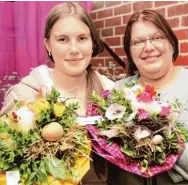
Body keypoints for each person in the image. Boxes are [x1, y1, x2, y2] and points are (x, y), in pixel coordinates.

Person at [110, 9, 188, 185]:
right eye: (138, 41)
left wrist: (159, 151)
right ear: (129, 52)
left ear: (171, 43)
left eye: (157, 37)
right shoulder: (118, 91)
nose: (149, 47)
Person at [0, 2, 114, 185]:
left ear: (92, 42)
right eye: (63, 39)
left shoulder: (112, 95)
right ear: (48, 45)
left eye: (82, 38)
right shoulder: (26, 94)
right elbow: (6, 161)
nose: (74, 49)